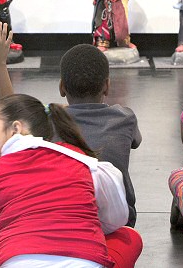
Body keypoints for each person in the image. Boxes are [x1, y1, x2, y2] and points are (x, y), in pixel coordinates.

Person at [0, 93, 142, 268]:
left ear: (16, 129)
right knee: (128, 236)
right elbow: (117, 219)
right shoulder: (78, 159)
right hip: (85, 263)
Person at [60, 44, 142, 227]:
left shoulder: (49, 123)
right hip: (119, 222)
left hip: (65, 221)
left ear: (62, 88)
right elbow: (136, 141)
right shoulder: (125, 118)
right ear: (107, 86)